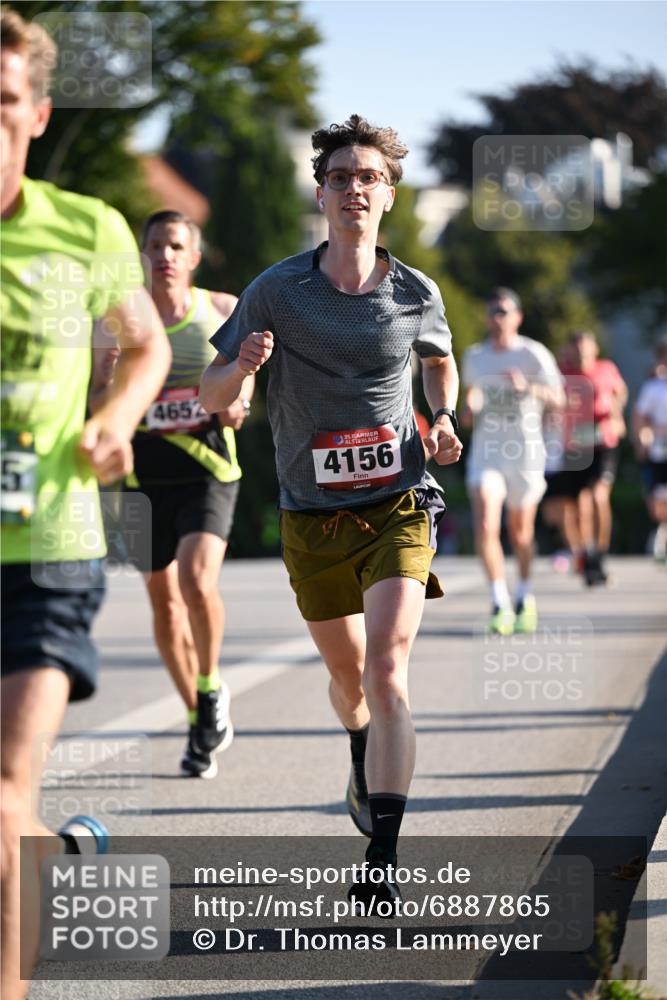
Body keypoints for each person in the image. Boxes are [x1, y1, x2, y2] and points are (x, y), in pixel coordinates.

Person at [200, 114, 462, 908]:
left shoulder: (416, 290)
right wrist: (239, 367)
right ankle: (359, 745)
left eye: (368, 177)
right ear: (321, 193)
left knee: (386, 668)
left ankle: (381, 856)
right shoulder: (278, 289)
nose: (354, 188)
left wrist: (442, 418)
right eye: (341, 177)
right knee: (349, 680)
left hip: (398, 502)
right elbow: (212, 396)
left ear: (389, 194)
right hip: (311, 510)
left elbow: (440, 363)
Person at [0, 10, 171, 1000]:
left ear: (35, 112)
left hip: (46, 547)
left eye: (2, 101)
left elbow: (144, 341)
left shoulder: (85, 229)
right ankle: (54, 861)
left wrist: (115, 415)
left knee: (1, 791)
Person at [92, 210, 253, 779]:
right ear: (142, 254)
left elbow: (243, 380)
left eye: (175, 246)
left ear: (194, 255)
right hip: (141, 479)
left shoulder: (223, 311)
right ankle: (198, 717)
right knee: (162, 604)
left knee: (196, 580)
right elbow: (93, 406)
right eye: (155, 245)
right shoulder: (117, 322)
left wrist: (238, 399)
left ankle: (210, 689)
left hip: (206, 470)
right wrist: (106, 381)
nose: (164, 255)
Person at [462, 288, 564, 635]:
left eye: (504, 311)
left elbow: (559, 399)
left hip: (524, 453)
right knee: (487, 526)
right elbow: (472, 393)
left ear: (518, 317)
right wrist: (470, 405)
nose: (497, 317)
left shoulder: (533, 354)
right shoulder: (475, 356)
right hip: (487, 452)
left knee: (521, 535)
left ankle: (524, 593)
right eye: (492, 311)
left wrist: (529, 389)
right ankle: (499, 601)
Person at [557, 331, 627, 584]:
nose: (581, 356)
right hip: (573, 446)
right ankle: (584, 552)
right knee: (577, 507)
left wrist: (616, 412)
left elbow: (621, 392)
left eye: (586, 351)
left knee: (598, 496)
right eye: (577, 351)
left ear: (595, 350)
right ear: (569, 351)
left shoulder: (606, 368)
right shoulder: (561, 373)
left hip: (603, 440)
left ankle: (600, 553)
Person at [633, 337, 667, 563]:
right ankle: (661, 531)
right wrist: (642, 440)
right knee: (658, 500)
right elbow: (639, 417)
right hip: (660, 449)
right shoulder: (653, 387)